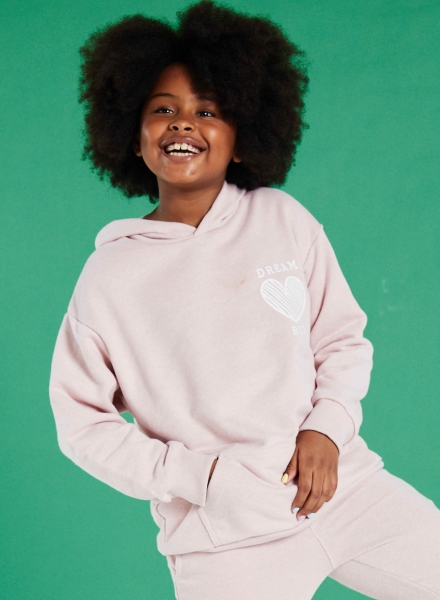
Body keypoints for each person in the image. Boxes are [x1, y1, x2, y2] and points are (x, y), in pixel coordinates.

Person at [48, 1, 440, 598]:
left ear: (241, 139)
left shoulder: (282, 219)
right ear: (132, 137)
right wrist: (201, 479)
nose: (183, 124)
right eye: (162, 110)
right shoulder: (109, 276)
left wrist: (328, 429)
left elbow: (340, 338)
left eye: (207, 111)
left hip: (346, 492)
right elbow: (82, 424)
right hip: (225, 537)